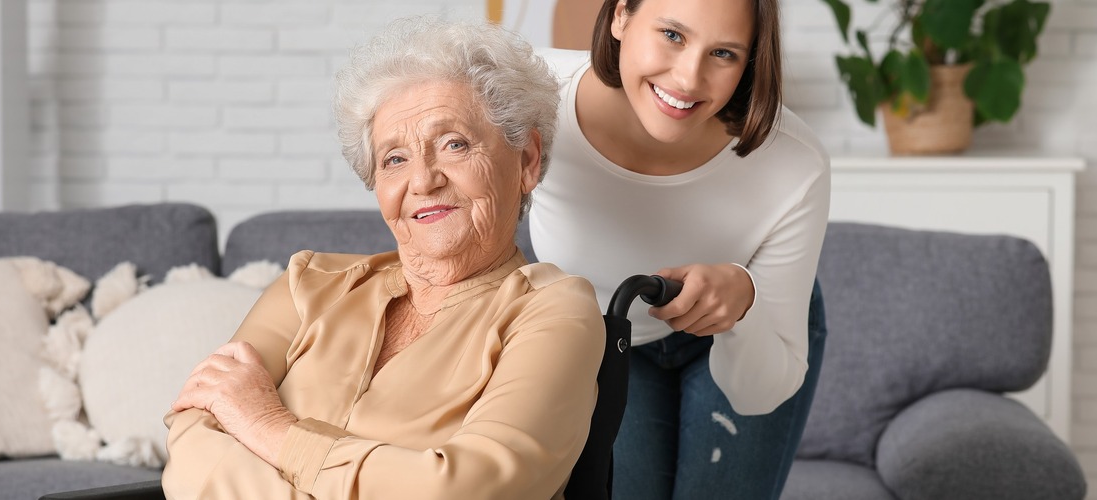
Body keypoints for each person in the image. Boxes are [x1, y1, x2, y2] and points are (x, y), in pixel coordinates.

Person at [162, 17, 606, 499]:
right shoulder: (307, 284)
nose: (423, 180)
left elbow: (469, 489)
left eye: (453, 144)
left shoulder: (554, 309)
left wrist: (266, 425)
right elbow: (193, 440)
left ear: (527, 161)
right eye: (394, 159)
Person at [528, 0, 831, 498]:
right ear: (622, 15)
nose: (689, 79)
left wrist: (744, 303)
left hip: (748, 329)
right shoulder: (529, 99)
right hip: (608, 338)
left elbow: (757, 395)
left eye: (724, 54)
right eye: (672, 34)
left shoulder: (793, 164)